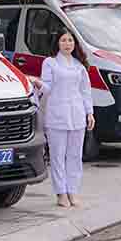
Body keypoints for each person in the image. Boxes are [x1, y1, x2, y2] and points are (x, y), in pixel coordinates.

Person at [38, 28, 93, 208]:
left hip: (77, 115)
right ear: (57, 43)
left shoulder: (79, 66)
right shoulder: (50, 63)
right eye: (63, 40)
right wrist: (37, 83)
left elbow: (85, 91)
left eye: (70, 40)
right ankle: (61, 192)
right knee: (57, 156)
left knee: (74, 156)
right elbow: (47, 87)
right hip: (57, 116)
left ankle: (73, 190)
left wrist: (89, 112)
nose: (67, 44)